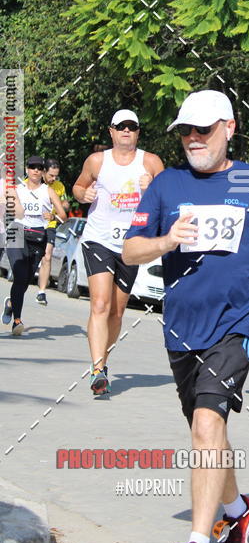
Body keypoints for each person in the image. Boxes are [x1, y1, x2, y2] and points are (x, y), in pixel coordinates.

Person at [122, 89, 249, 543]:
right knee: (209, 435)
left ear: (229, 127)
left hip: (238, 324)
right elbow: (131, 250)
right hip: (183, 327)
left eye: (203, 129)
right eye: (186, 130)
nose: (193, 139)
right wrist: (166, 241)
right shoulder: (167, 184)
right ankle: (237, 509)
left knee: (207, 423)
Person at [72, 110, 164, 395]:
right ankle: (97, 369)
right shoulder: (97, 160)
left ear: (138, 132)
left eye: (131, 126)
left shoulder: (151, 162)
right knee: (100, 304)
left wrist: (153, 188)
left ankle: (103, 362)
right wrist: (83, 195)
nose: (126, 130)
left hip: (130, 244)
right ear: (111, 131)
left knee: (116, 311)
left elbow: (168, 199)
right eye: (120, 126)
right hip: (98, 239)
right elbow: (78, 186)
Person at [2, 156, 67, 335]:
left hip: (38, 236)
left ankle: (11, 304)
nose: (36, 170)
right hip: (17, 232)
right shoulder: (17, 189)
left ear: (43, 172)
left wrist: (53, 217)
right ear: (27, 170)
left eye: (39, 168)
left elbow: (63, 215)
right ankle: (17, 321)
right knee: (20, 274)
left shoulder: (49, 191)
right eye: (32, 167)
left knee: (25, 280)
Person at [36, 159, 70, 306]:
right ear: (44, 172)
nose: (53, 178)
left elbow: (66, 204)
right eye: (51, 175)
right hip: (31, 224)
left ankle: (41, 292)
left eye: (56, 176)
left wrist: (61, 204)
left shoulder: (59, 186)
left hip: (50, 224)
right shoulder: (32, 183)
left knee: (47, 256)